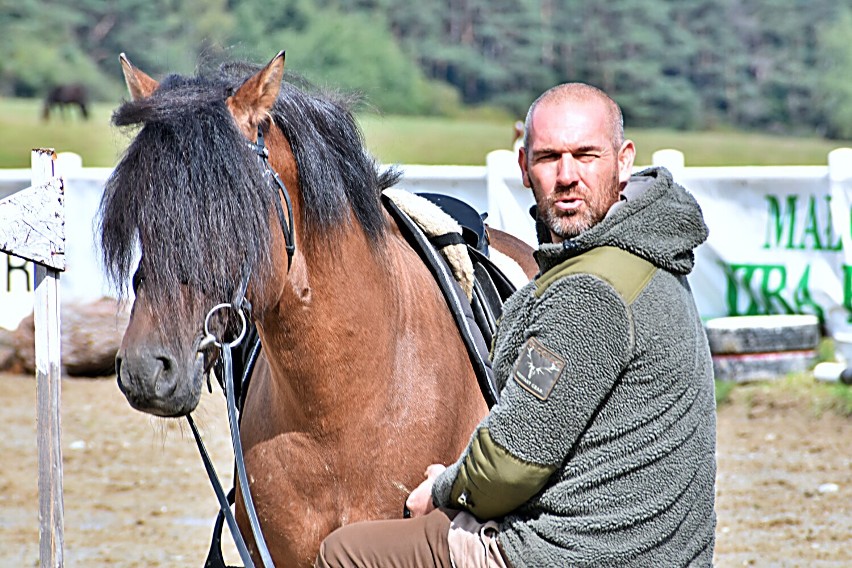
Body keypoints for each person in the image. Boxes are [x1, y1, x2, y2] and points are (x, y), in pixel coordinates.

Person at [315, 82, 717, 567]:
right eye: (549, 158)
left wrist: (441, 489)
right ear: (524, 167)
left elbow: (511, 464)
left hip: (578, 554)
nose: (567, 176)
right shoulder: (648, 253)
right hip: (663, 551)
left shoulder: (588, 295)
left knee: (345, 551)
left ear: (624, 160)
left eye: (586, 156)